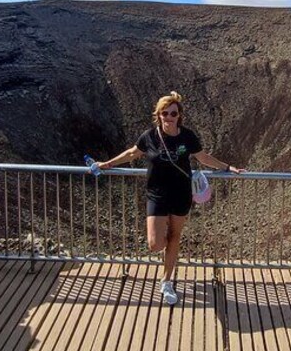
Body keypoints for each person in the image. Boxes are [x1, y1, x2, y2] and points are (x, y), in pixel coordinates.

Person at [95, 91, 245, 305]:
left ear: (179, 115)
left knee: (175, 237)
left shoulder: (187, 136)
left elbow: (203, 158)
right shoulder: (150, 136)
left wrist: (228, 167)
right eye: (164, 113)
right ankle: (167, 256)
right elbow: (131, 153)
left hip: (181, 193)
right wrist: (108, 164)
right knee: (155, 244)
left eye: (173, 113)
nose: (169, 117)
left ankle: (166, 280)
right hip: (157, 194)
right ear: (159, 115)